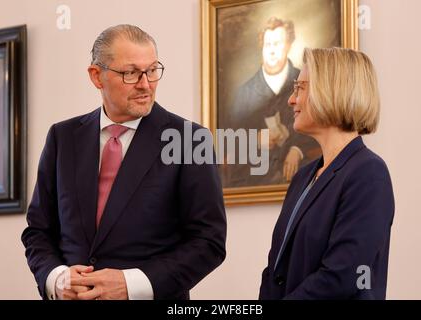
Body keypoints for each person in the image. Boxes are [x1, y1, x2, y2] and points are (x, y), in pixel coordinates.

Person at [21, 24, 227, 300]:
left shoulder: (190, 139)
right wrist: (56, 279)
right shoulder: (63, 137)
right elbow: (38, 231)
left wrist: (130, 284)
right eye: (130, 73)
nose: (145, 84)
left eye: (152, 70)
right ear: (97, 76)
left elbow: (208, 242)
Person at [259, 47, 395, 299]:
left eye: (300, 87)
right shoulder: (303, 177)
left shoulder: (368, 174)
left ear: (331, 90)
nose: (291, 99)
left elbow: (341, 276)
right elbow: (274, 270)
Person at [226, 17, 319, 187]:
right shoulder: (244, 94)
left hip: (300, 182)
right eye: (268, 44)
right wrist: (254, 140)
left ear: (289, 45)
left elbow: (321, 128)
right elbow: (227, 141)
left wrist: (297, 150)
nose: (272, 50)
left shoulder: (306, 85)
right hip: (253, 182)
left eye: (277, 44)